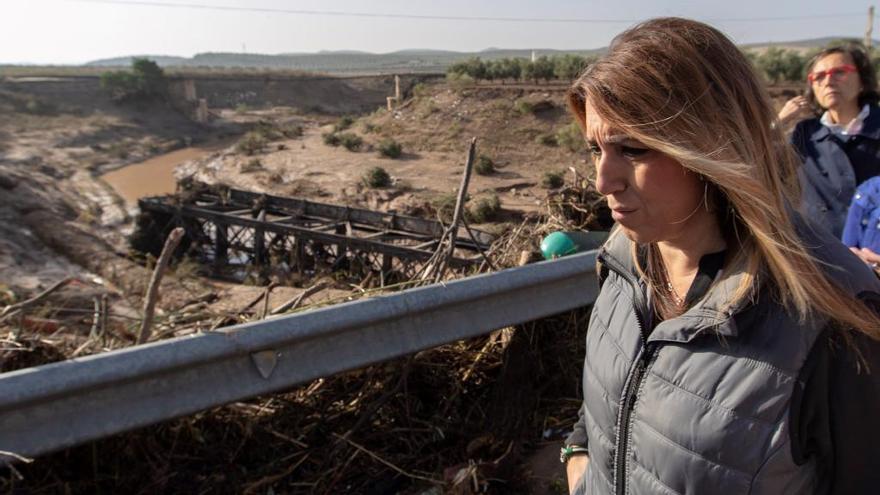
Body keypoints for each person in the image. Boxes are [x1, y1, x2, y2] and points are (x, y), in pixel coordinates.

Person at [562, 18, 880, 495]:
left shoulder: (835, 319)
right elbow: (617, 392)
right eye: (595, 149)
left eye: (633, 149)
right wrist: (578, 457)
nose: (603, 181)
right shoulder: (623, 259)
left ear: (709, 144)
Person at [778, 45, 880, 266]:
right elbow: (754, 167)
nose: (828, 81)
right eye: (819, 76)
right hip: (824, 264)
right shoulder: (803, 135)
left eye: (839, 72)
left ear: (862, 80)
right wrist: (777, 124)